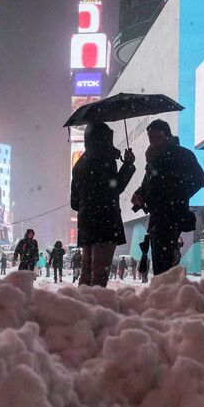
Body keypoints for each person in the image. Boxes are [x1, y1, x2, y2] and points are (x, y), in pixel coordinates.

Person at [131, 120, 204, 276]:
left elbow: (199, 179)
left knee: (165, 260)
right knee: (160, 260)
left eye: (156, 136)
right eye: (150, 137)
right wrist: (140, 194)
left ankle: (168, 293)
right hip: (157, 214)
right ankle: (165, 292)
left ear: (166, 135)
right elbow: (147, 183)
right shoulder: (152, 158)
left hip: (173, 214)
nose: (152, 140)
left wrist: (179, 196)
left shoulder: (181, 155)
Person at [71, 122, 136, 287]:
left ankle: (80, 307)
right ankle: (94, 309)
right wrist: (127, 165)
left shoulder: (79, 164)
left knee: (86, 273)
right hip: (106, 222)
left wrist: (87, 204)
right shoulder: (105, 159)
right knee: (99, 274)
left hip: (86, 224)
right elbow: (115, 188)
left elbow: (74, 202)